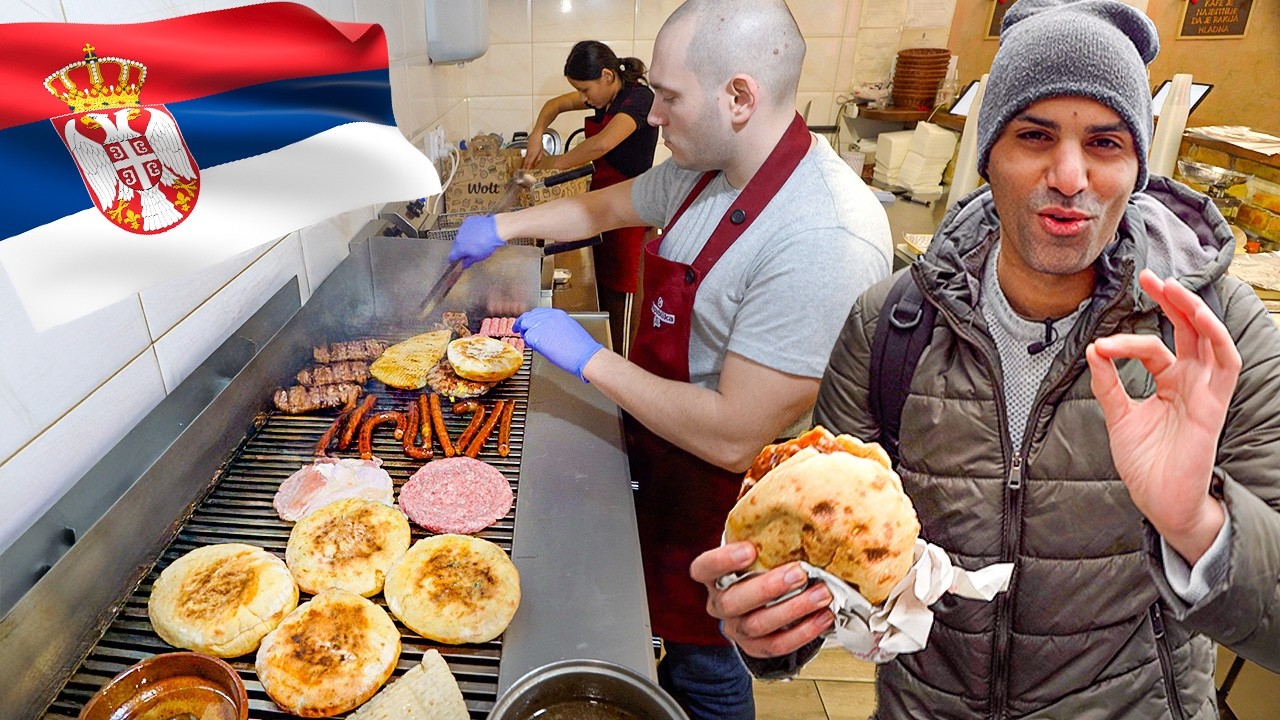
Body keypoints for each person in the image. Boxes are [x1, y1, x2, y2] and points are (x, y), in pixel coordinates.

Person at [691, 0, 1280, 717]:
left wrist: (1197, 525)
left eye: (1105, 142)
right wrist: (771, 629)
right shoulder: (890, 328)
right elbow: (825, 569)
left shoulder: (1215, 338)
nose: (1069, 176)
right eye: (1034, 135)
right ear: (988, 155)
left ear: (1138, 166)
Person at [447, 1, 892, 717]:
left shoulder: (822, 234)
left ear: (739, 97)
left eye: (671, 97)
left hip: (728, 517)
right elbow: (598, 210)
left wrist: (589, 358)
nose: (651, 115)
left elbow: (732, 432)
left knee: (709, 673)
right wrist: (502, 225)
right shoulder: (703, 172)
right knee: (670, 651)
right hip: (665, 469)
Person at [524, 41, 659, 353]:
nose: (584, 99)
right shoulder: (605, 97)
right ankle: (607, 360)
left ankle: (625, 368)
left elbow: (601, 145)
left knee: (623, 300)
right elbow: (554, 106)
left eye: (585, 90)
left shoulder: (638, 99)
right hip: (605, 205)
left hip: (632, 211)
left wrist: (551, 167)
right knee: (604, 290)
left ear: (607, 76)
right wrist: (536, 133)